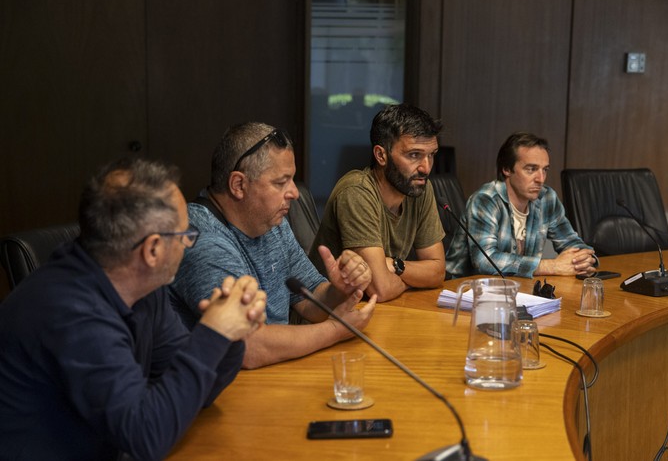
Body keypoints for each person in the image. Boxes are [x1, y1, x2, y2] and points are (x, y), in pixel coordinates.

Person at [0, 158, 267, 460]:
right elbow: (145, 437)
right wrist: (213, 332)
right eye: (185, 236)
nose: (188, 245)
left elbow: (193, 394)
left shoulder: (142, 289)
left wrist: (230, 334)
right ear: (153, 249)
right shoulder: (70, 311)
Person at [169, 122, 377, 369]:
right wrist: (335, 329)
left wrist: (339, 290)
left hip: (277, 371)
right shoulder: (202, 241)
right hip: (227, 390)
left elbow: (310, 301)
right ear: (238, 185)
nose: (294, 193)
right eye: (281, 182)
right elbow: (248, 347)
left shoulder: (271, 222)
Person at [309, 103, 446, 302]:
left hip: (379, 309)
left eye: (431, 155)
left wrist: (395, 265)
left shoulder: (419, 188)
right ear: (381, 155)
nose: (426, 168)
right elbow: (380, 289)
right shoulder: (356, 192)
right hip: (329, 314)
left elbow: (437, 271)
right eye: (414, 155)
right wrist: (409, 279)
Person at [445, 131, 598, 278]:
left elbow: (571, 242)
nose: (541, 179)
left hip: (516, 289)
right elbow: (485, 261)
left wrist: (585, 260)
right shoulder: (486, 200)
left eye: (544, 170)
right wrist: (551, 266)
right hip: (465, 291)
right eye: (531, 169)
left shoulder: (546, 198)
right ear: (506, 169)